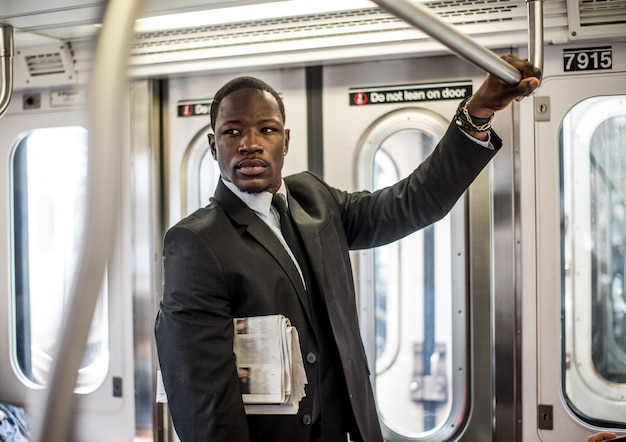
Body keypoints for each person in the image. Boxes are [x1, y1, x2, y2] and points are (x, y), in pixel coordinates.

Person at [154, 55, 541, 442]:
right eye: (232, 132)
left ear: (285, 141)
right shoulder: (196, 242)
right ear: (212, 144)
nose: (250, 144)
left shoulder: (316, 202)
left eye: (266, 130)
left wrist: (478, 111)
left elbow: (415, 202)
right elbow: (204, 401)